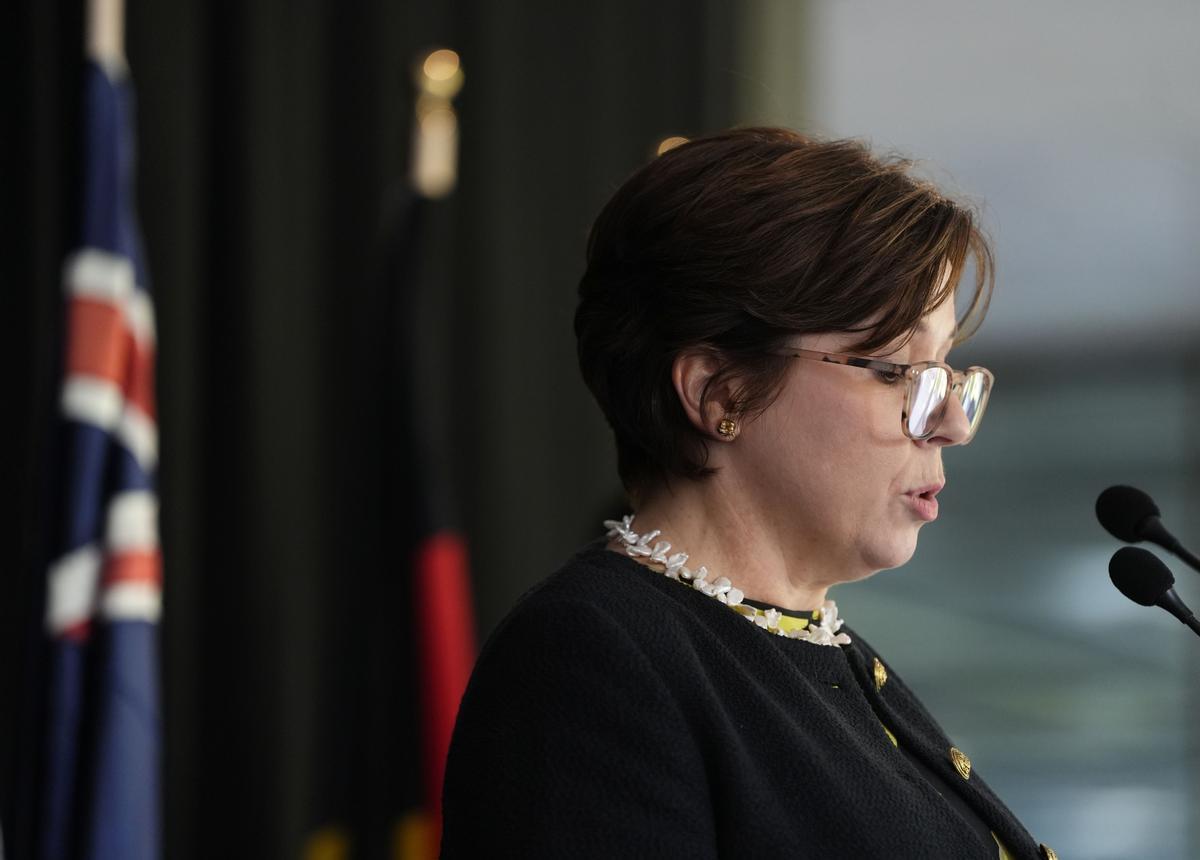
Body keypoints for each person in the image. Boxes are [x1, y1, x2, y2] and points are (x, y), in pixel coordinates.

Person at [441, 128, 1056, 859]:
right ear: (721, 392)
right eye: (898, 371)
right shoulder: (595, 659)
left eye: (949, 373)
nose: (952, 422)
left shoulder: (821, 650)